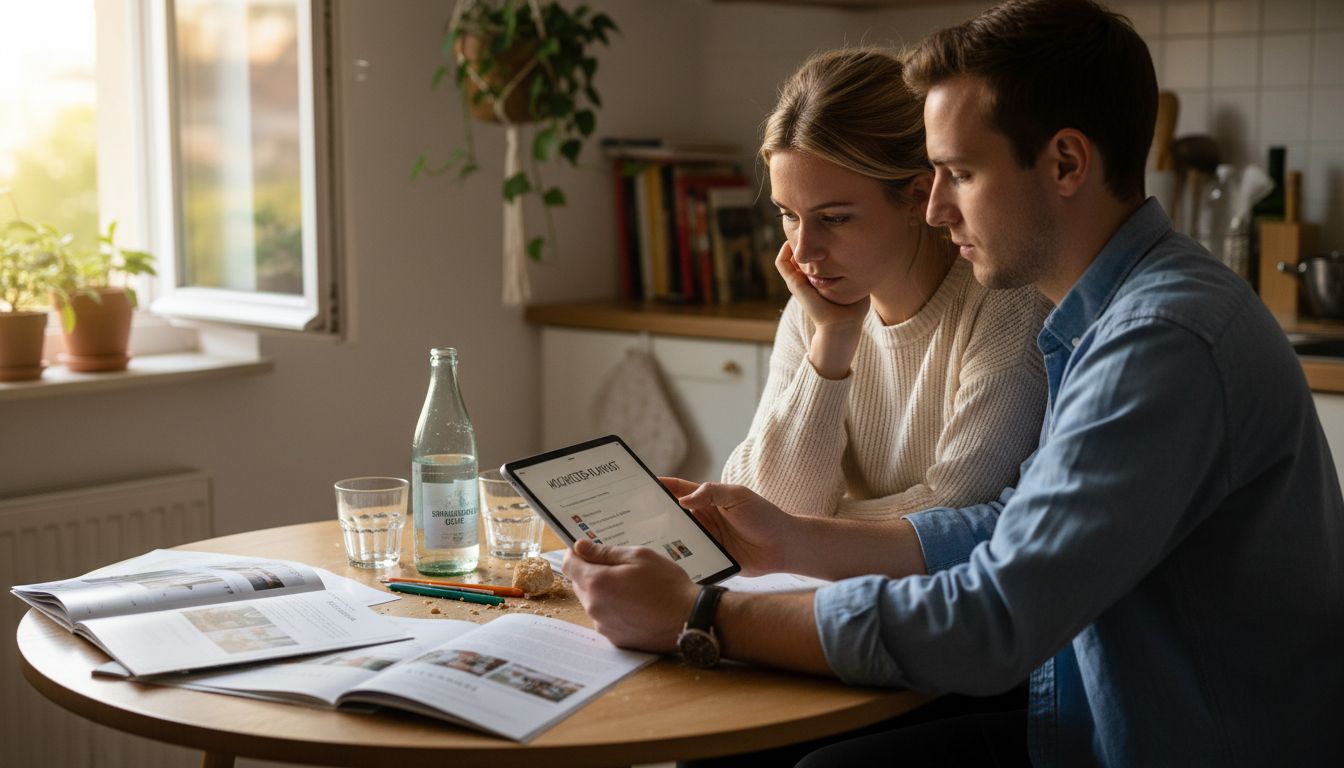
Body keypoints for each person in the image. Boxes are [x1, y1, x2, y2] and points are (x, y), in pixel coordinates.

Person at [563, 0, 1344, 765]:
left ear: (1067, 162)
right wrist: (796, 537)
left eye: (958, 174)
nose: (933, 207)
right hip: (1093, 713)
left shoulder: (1157, 340)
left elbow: (993, 619)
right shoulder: (1112, 312)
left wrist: (701, 613)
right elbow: (1015, 526)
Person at [721, 48, 1050, 522]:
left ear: (918, 197)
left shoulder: (1005, 305)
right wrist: (832, 344)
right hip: (835, 579)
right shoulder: (815, 309)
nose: (804, 251)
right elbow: (770, 502)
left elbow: (957, 512)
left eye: (834, 218)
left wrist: (806, 526)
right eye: (788, 215)